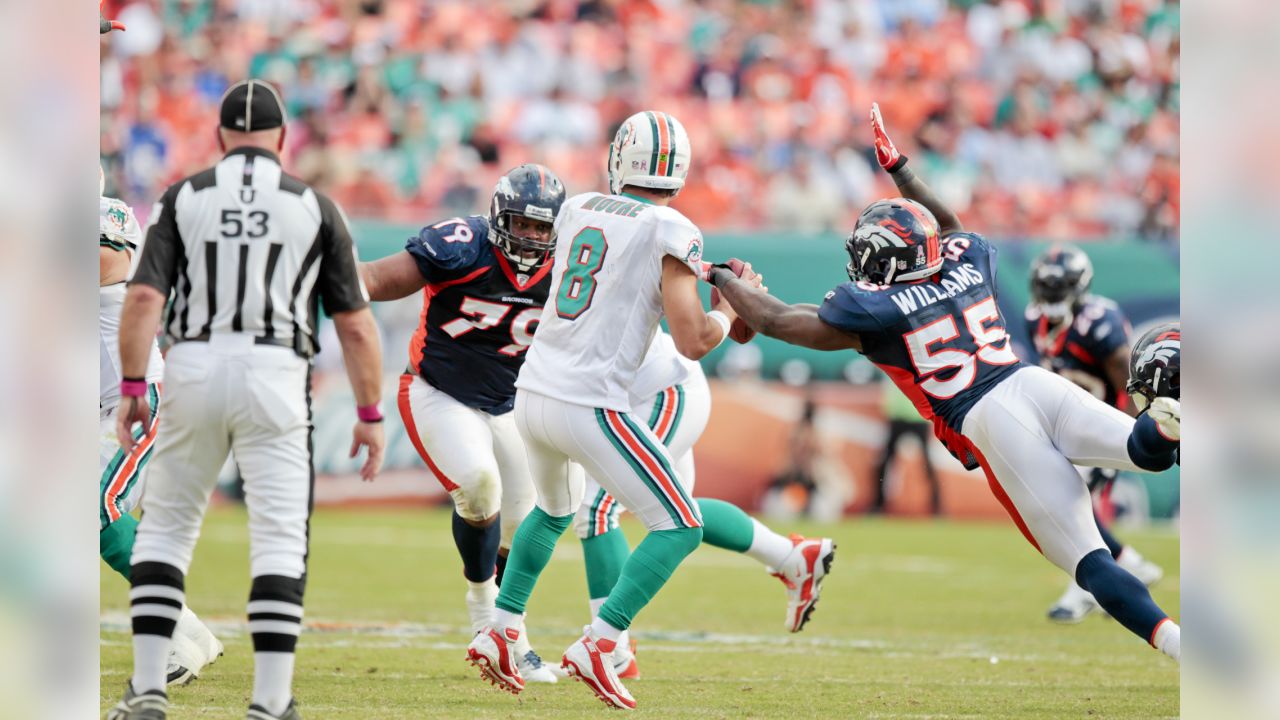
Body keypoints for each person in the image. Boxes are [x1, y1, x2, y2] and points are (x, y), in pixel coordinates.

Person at [707, 103, 1182, 663]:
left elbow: (777, 321)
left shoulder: (876, 311)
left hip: (991, 418)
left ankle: (1182, 646)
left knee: (1088, 559)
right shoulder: (963, 263)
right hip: (1029, 383)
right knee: (1142, 448)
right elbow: (951, 225)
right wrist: (901, 168)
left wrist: (716, 274)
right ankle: (1172, 417)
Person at [465, 110, 782, 710]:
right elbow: (692, 341)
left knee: (555, 512)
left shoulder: (578, 205)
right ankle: (601, 640)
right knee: (680, 525)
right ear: (679, 171)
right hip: (589, 402)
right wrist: (731, 315)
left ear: (619, 159)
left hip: (532, 392)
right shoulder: (673, 227)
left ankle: (502, 630)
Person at [108, 80, 386, 720]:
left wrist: (129, 386)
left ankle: (149, 689)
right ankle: (268, 700)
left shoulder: (184, 197)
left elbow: (145, 298)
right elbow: (355, 323)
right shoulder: (315, 205)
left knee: (167, 530)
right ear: (283, 139)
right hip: (276, 370)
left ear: (221, 138)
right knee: (281, 539)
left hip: (196, 362)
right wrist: (370, 414)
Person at [357, 163, 568, 683]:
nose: (532, 236)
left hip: (511, 402)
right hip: (439, 390)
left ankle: (507, 635)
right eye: (522, 224)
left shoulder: (568, 264)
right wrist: (332, 284)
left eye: (542, 228)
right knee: (479, 487)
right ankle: (482, 613)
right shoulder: (462, 244)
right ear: (499, 217)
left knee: (526, 524)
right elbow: (377, 279)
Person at [572, 331, 836, 678]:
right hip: (641, 389)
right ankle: (791, 556)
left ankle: (611, 651)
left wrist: (723, 315)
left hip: (660, 390)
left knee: (596, 510)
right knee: (677, 515)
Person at [99, 171, 223, 686]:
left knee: (94, 509)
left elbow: (104, 262)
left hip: (134, 405)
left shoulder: (103, 230)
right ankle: (192, 631)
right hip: (100, 409)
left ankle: (176, 641)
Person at [1025, 245, 1163, 622]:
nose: (1052, 295)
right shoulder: (1033, 319)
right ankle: (1133, 564)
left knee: (1068, 505)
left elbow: (1127, 381)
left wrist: (1135, 434)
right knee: (1058, 502)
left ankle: (1084, 590)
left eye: (1060, 287)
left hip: (1104, 424)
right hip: (1064, 425)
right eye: (1047, 286)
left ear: (1079, 286)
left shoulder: (1099, 323)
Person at [872, 378, 941, 515]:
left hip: (917, 417)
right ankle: (878, 505)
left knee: (927, 464)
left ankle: (937, 506)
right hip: (898, 417)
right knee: (885, 461)